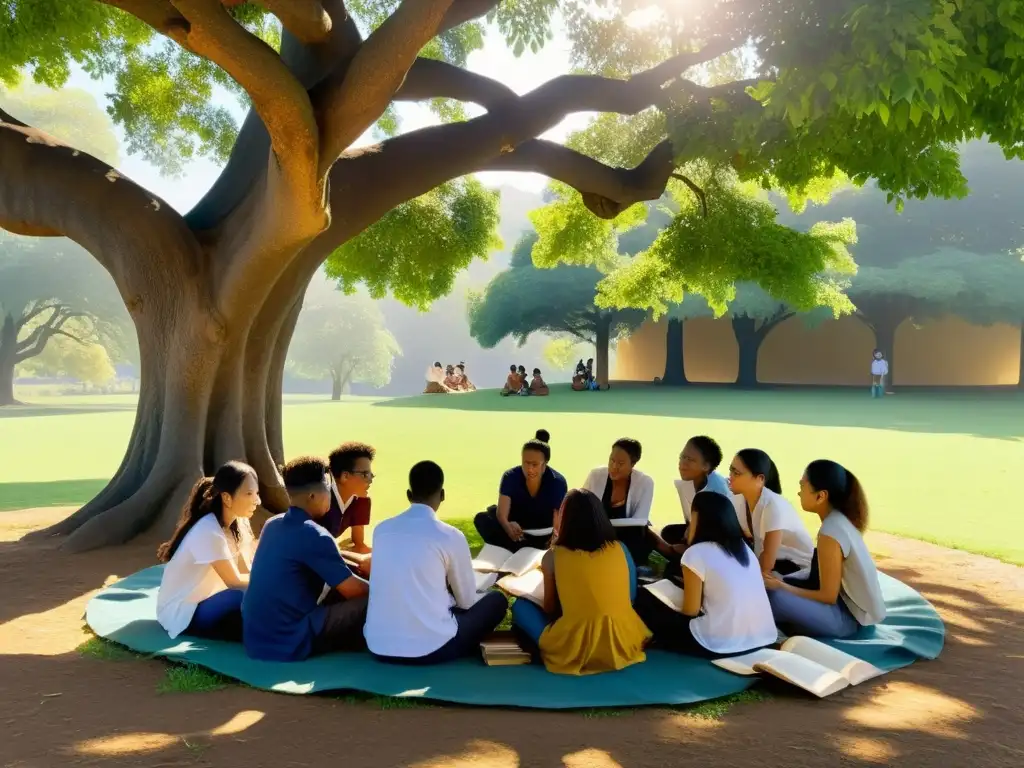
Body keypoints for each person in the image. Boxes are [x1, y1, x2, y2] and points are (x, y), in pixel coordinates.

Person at [365, 461, 509, 664]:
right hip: (433, 648)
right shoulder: (450, 536)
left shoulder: (381, 530)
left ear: (409, 494)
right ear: (442, 495)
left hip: (378, 645)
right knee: (497, 601)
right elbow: (466, 602)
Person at [242, 456, 369, 661]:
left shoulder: (272, 524)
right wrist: (391, 590)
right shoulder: (314, 534)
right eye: (328, 488)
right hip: (289, 639)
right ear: (312, 495)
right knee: (375, 599)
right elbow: (353, 590)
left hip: (256, 639)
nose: (330, 494)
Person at [510, 489, 650, 675]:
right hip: (625, 638)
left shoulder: (553, 556)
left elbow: (550, 608)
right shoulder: (620, 548)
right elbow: (630, 596)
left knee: (520, 606)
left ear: (565, 519)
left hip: (576, 646)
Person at [634, 492, 777, 657]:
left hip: (720, 644)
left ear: (701, 519)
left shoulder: (696, 553)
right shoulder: (744, 549)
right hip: (762, 638)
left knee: (644, 597)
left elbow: (690, 611)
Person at [765, 460, 887, 639]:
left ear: (821, 496)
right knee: (779, 582)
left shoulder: (830, 532)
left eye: (802, 486)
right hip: (849, 612)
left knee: (772, 596)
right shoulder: (838, 520)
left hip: (849, 623)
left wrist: (781, 585)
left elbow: (828, 596)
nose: (799, 492)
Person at [156, 461, 259, 641]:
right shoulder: (208, 530)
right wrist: (274, 581)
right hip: (184, 612)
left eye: (256, 493)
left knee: (256, 596)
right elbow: (234, 582)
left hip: (209, 601)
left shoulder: (237, 524)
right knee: (244, 593)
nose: (256, 501)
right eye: (249, 494)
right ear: (227, 498)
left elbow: (247, 570)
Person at [651, 436, 733, 577]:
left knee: (675, 560)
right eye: (682, 457)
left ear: (706, 466)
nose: (683, 463)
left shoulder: (716, 491)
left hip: (719, 544)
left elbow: (713, 534)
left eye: (690, 460)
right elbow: (691, 520)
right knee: (669, 532)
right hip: (701, 532)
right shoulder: (690, 481)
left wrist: (685, 545)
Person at [474, 430, 567, 551]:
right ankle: (516, 546)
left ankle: (519, 548)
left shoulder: (557, 482)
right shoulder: (510, 476)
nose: (529, 469)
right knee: (482, 519)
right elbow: (502, 513)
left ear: (545, 464)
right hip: (516, 531)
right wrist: (508, 526)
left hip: (544, 534)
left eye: (535, 464)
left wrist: (554, 541)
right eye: (526, 463)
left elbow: (558, 519)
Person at [727, 448, 814, 576]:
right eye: (731, 470)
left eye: (737, 473)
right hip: (771, 562)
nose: (730, 477)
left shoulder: (772, 506)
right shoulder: (737, 498)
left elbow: (767, 565)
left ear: (760, 479)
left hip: (796, 566)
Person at [581, 438, 655, 565]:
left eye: (620, 463)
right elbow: (581, 507)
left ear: (632, 464)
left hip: (626, 539)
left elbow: (640, 521)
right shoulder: (595, 475)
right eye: (612, 460)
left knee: (640, 535)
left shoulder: (645, 482)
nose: (614, 467)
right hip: (595, 534)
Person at [324, 442, 375, 555]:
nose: (370, 481)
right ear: (345, 476)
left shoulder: (361, 499)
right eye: (365, 475)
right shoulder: (322, 500)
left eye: (371, 475)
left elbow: (359, 544)